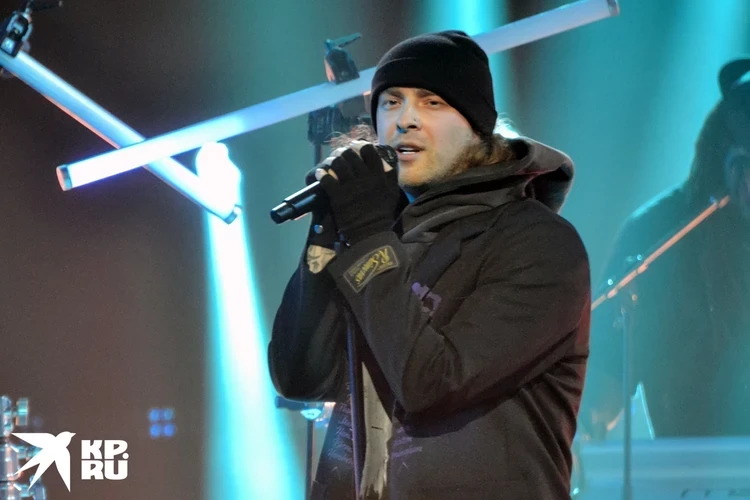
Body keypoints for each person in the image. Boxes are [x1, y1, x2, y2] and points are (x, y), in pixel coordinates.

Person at [268, 30, 591, 499]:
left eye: (432, 102)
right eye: (391, 102)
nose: (405, 120)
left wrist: (366, 234)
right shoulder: (379, 233)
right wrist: (326, 229)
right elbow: (300, 376)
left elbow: (432, 385)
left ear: (477, 127)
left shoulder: (538, 243)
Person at [580, 58, 750, 439]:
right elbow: (606, 380)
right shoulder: (659, 232)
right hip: (688, 465)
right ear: (734, 167)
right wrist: (578, 438)